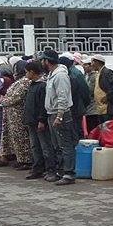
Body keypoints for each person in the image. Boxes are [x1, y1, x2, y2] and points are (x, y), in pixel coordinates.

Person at [43, 50, 77, 185]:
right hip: (52, 113)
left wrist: (59, 116)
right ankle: (61, 170)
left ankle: (69, 173)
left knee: (65, 145)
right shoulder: (52, 74)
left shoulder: (60, 76)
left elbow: (62, 97)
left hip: (60, 113)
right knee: (57, 145)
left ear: (47, 61)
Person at [22, 59, 56, 180]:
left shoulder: (42, 86)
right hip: (31, 121)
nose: (26, 75)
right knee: (35, 146)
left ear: (32, 72)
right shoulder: (32, 85)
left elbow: (43, 105)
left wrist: (42, 120)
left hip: (39, 121)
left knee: (45, 146)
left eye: (27, 72)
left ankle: (50, 168)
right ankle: (38, 168)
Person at [0, 66, 32, 169]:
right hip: (11, 115)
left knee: (21, 138)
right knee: (14, 138)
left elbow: (15, 97)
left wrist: (2, 100)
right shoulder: (19, 81)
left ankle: (25, 160)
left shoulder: (25, 82)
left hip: (18, 115)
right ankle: (19, 158)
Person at [88, 54, 113, 126]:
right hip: (101, 108)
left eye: (92, 62)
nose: (91, 64)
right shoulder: (99, 73)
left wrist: (107, 96)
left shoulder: (107, 72)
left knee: (109, 130)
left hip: (108, 108)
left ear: (97, 62)